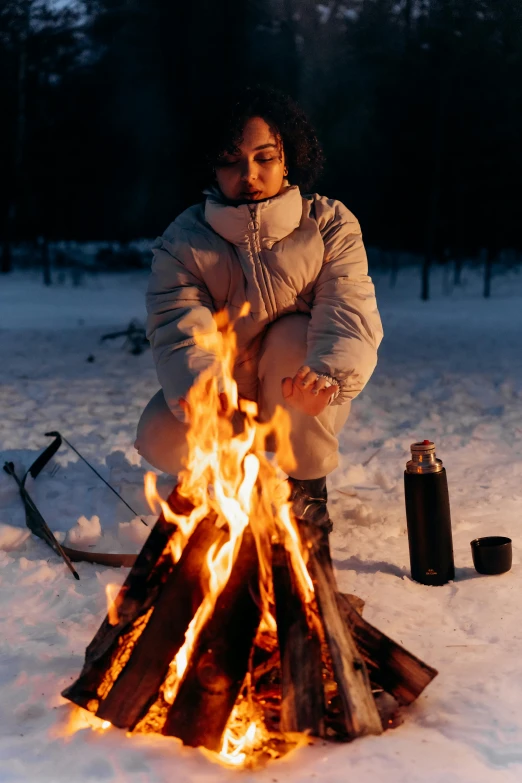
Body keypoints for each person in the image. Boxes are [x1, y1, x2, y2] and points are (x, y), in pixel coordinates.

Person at [135, 85, 383, 547]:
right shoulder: (185, 240)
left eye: (263, 157)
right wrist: (202, 390)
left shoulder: (329, 224)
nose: (248, 174)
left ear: (287, 157)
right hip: (231, 396)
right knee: (158, 435)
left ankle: (306, 493)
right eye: (231, 161)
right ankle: (231, 486)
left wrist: (328, 375)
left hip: (300, 395)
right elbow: (177, 324)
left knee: (292, 335)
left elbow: (348, 308)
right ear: (212, 165)